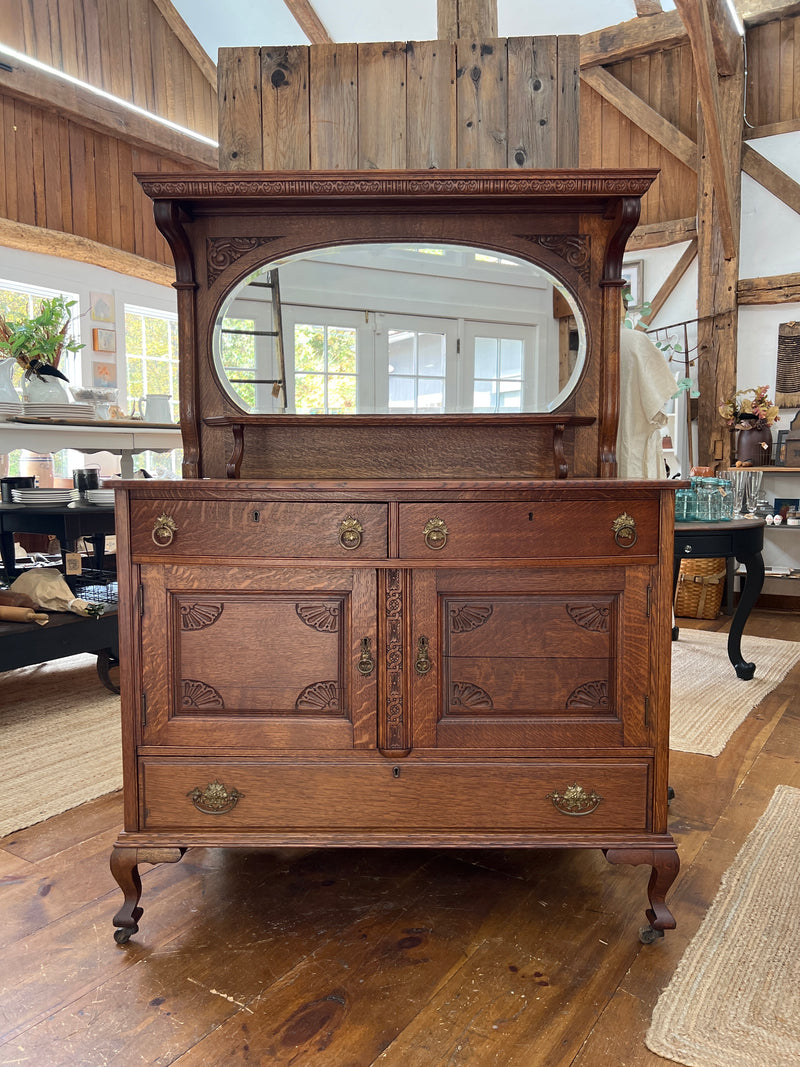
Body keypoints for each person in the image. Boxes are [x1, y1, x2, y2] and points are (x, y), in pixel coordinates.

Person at [616, 310, 677, 479]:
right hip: (634, 448)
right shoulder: (636, 342)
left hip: (593, 455)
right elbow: (657, 398)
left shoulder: (586, 344)